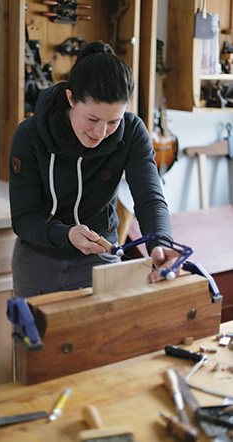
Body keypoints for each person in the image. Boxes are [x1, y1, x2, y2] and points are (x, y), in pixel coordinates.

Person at [9, 41, 178, 298]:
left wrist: (160, 244)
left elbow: (149, 199)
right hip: (37, 261)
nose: (101, 133)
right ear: (71, 99)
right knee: (37, 339)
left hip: (101, 257)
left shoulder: (132, 132)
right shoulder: (29, 134)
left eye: (113, 121)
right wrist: (66, 235)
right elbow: (23, 219)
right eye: (92, 119)